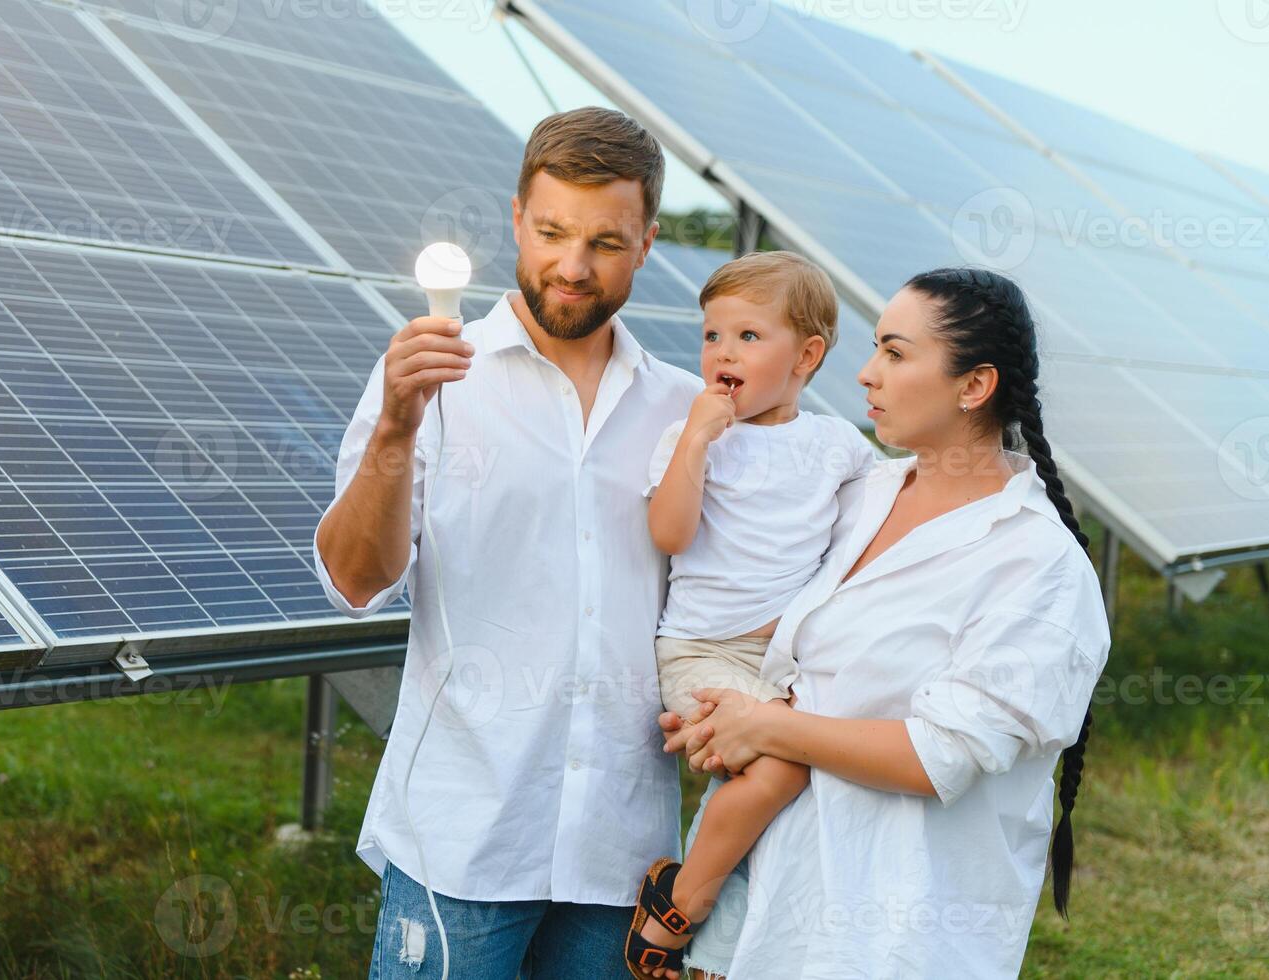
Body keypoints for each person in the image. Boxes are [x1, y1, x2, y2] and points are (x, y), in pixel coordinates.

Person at [312, 106, 702, 978]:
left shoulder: (685, 410)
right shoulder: (427, 381)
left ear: (646, 244)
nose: (571, 265)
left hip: (620, 843)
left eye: (605, 242)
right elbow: (353, 578)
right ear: (516, 220)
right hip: (462, 835)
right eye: (552, 231)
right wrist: (391, 434)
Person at [658, 268, 1109, 979]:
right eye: (874, 349)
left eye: (895, 354)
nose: (866, 375)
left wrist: (764, 726)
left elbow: (942, 756)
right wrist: (718, 715)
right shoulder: (858, 492)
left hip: (892, 936)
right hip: (762, 910)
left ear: (973, 386)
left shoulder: (1037, 564)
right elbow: (772, 639)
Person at [627, 251, 876, 976]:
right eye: (711, 336)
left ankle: (719, 955)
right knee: (779, 775)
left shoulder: (835, 446)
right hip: (701, 650)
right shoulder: (693, 438)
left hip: (782, 661)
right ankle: (680, 905)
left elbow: (863, 542)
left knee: (775, 800)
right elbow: (669, 535)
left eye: (746, 337)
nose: (721, 353)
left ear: (806, 355)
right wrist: (698, 441)